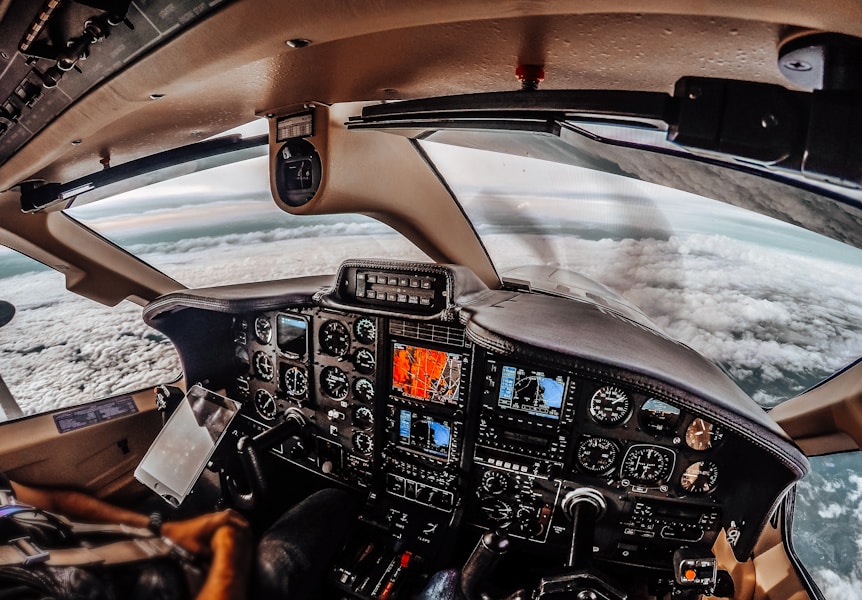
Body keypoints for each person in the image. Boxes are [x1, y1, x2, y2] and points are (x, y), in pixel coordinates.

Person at [2, 476, 359, 600]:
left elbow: (57, 502)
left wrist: (162, 528)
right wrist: (230, 559)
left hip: (148, 556)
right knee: (334, 500)